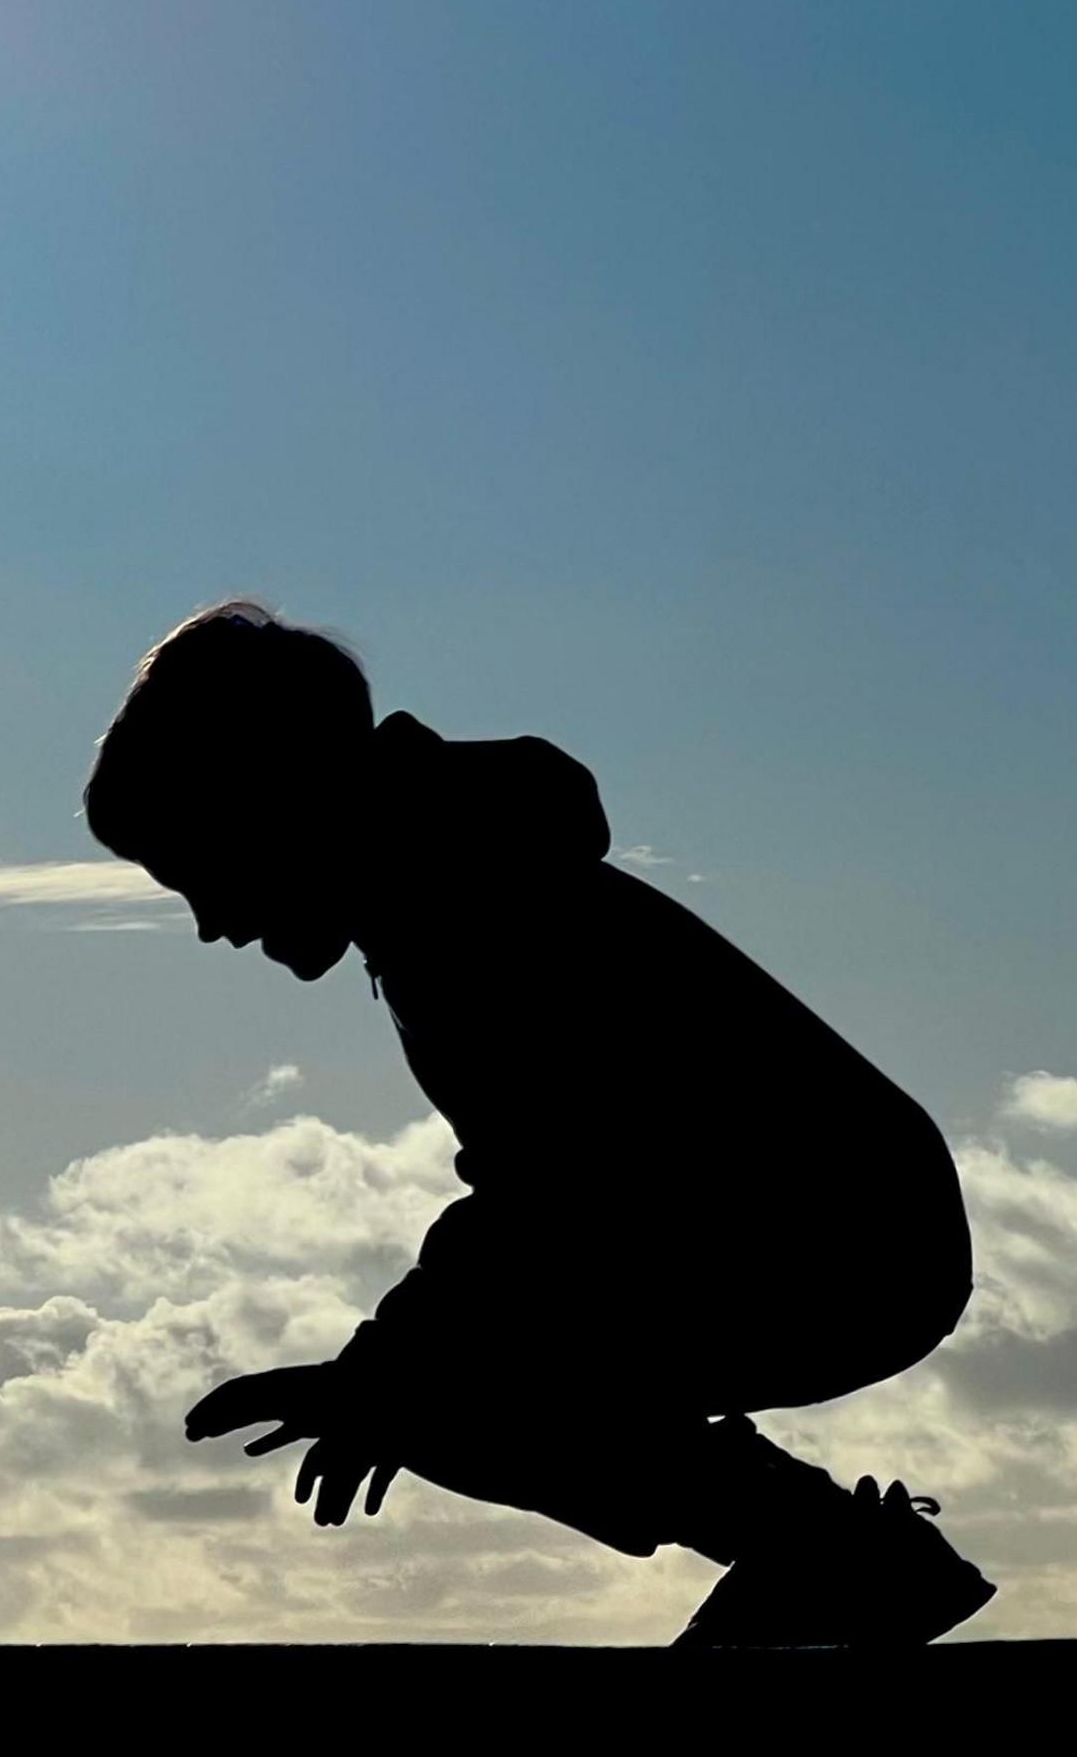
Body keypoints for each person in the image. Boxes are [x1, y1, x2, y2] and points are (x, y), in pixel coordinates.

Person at [82, 601, 993, 1646]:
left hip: (840, 1234)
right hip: (829, 1221)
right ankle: (829, 1545)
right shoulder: (447, 881)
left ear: (270, 809)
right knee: (447, 1392)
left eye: (200, 871)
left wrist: (385, 1371)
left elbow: (553, 1186)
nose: (209, 922)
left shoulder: (464, 911)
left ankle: (835, 1550)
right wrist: (393, 1373)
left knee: (452, 1400)